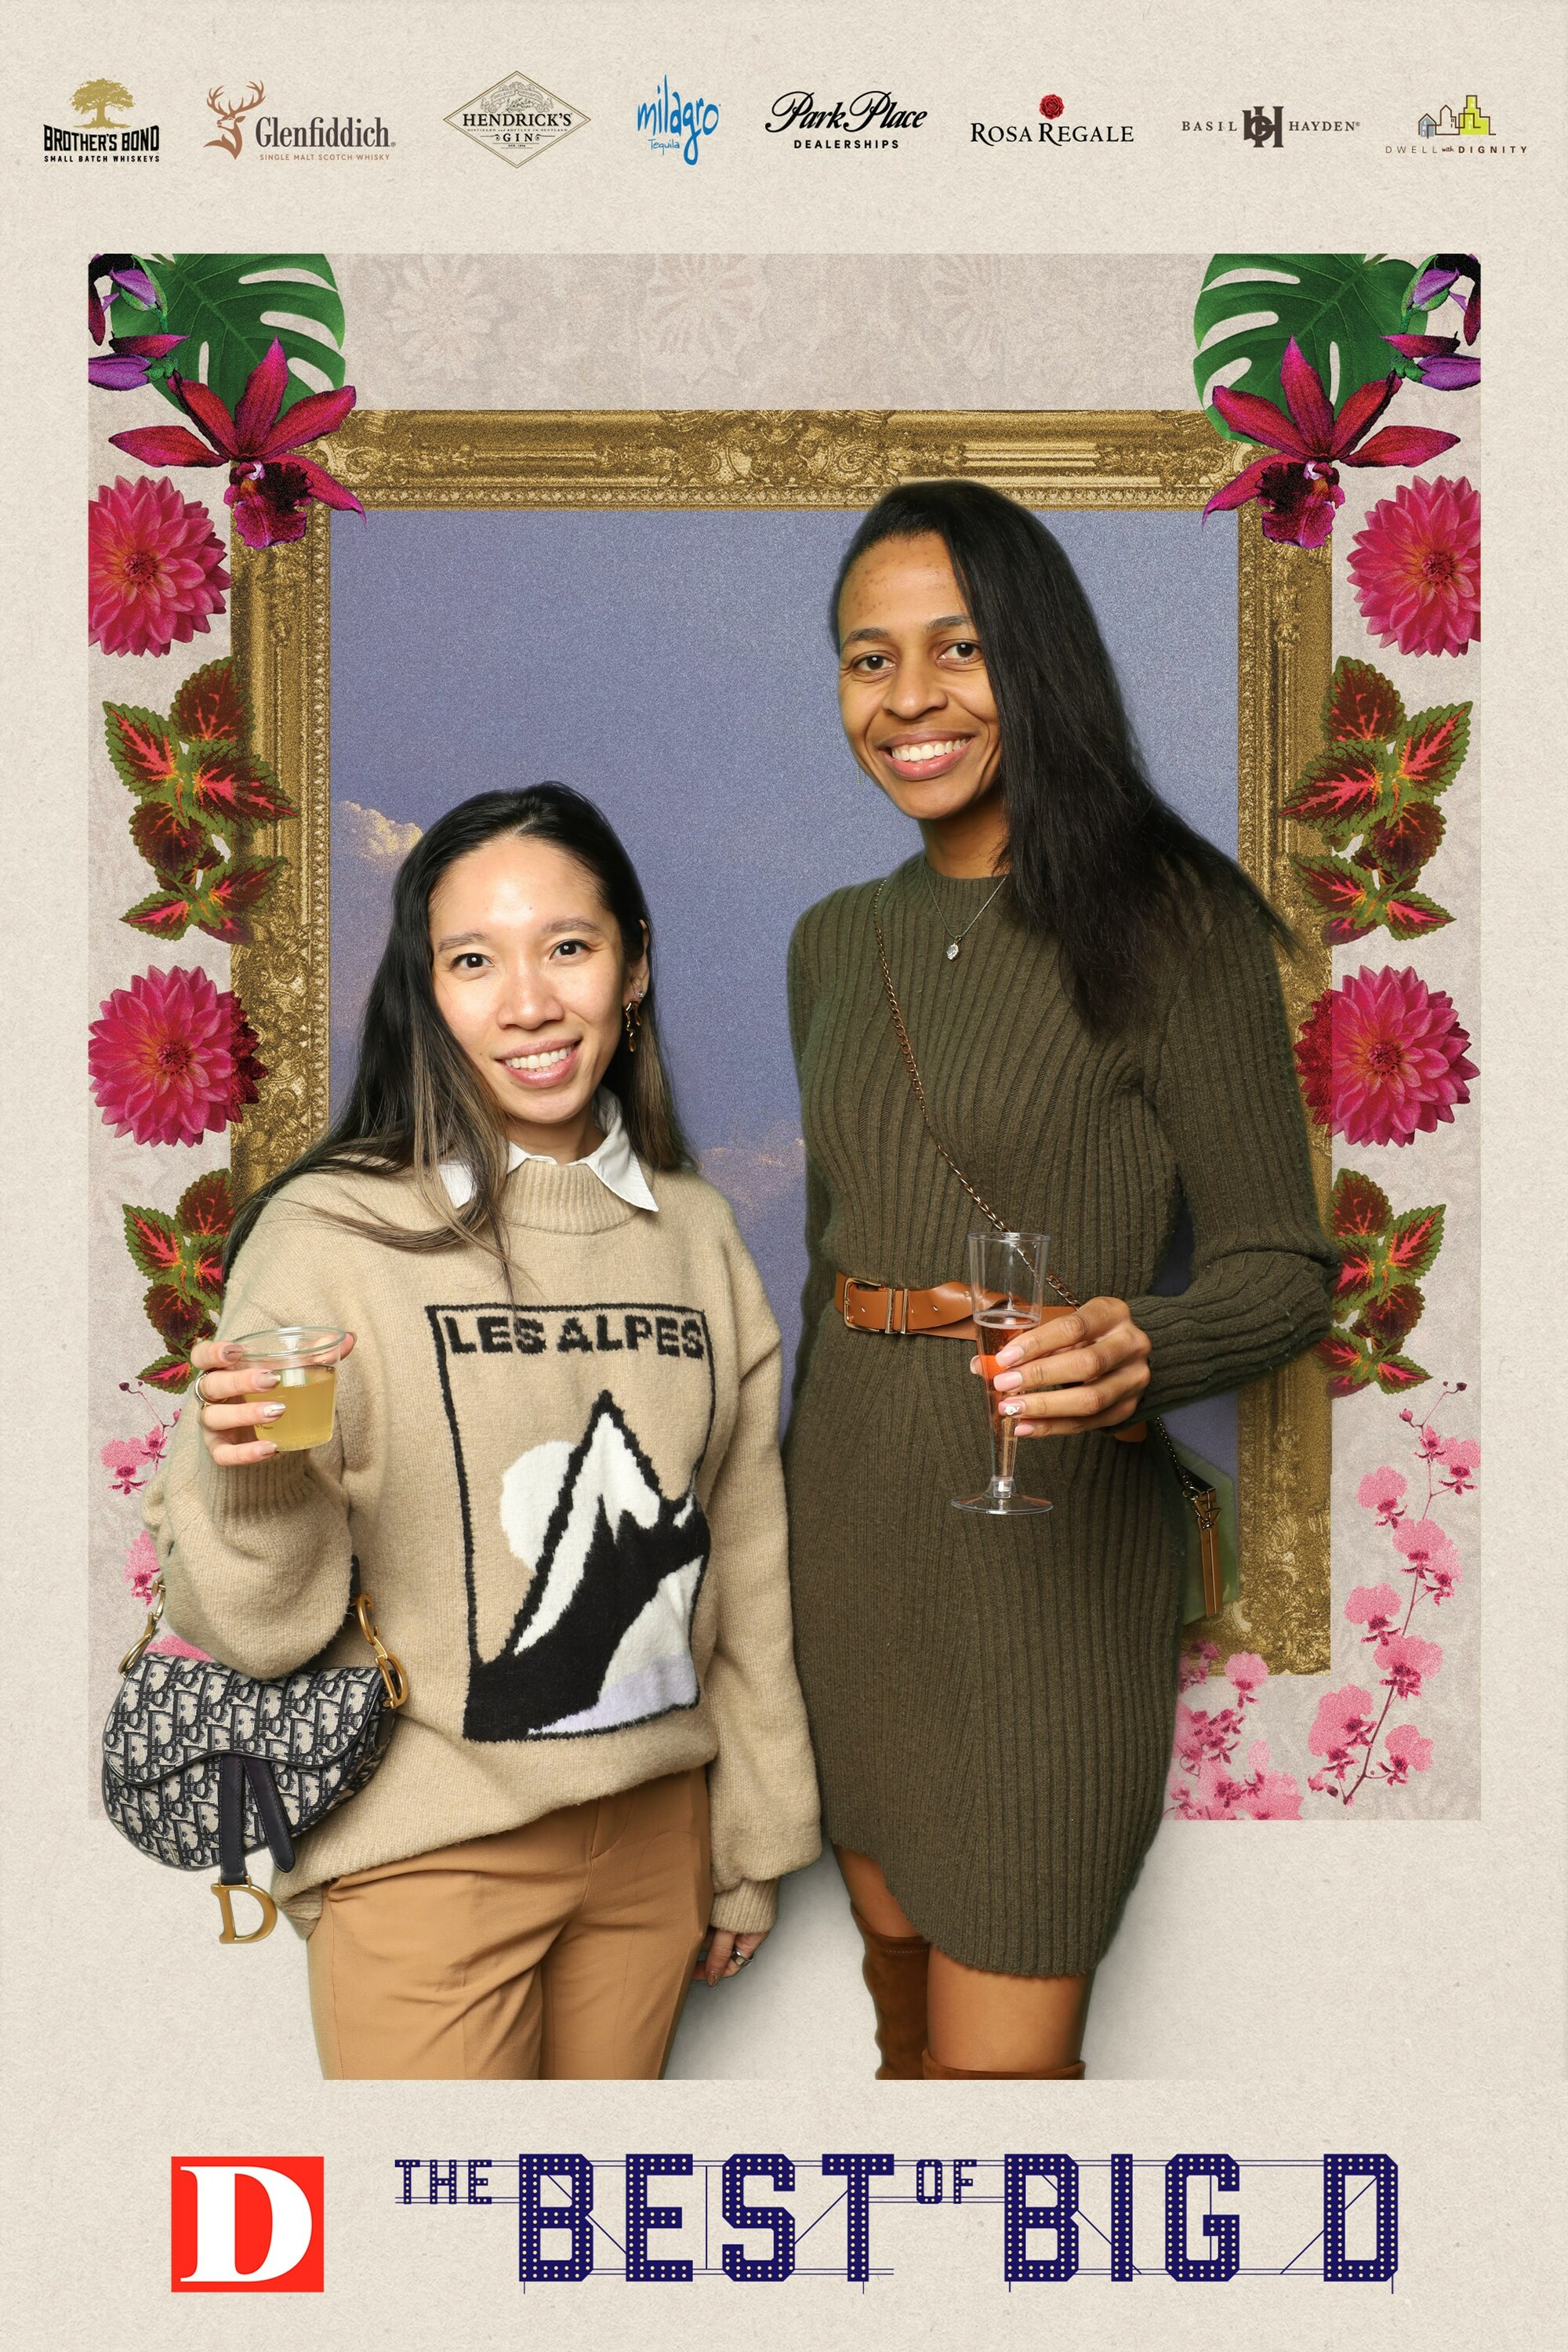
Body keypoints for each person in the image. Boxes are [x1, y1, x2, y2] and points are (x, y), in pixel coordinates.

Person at [785, 481, 1336, 2081]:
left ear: (1038, 660)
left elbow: (1282, 1268)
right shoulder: (833, 941)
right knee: (899, 2014)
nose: (908, 699)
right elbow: (830, 1255)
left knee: (1003, 2083)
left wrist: (1141, 1347)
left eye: (958, 649)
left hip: (1050, 1555)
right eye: (868, 658)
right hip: (850, 1536)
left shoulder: (1175, 923)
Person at [145, 785, 820, 2080]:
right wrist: (253, 1482)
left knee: (580, 2215)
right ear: (426, 991)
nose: (528, 1003)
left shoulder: (696, 1233)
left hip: (655, 1846)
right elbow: (261, 1633)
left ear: (633, 965)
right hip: (426, 1854)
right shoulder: (329, 1236)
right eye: (472, 961)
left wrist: (754, 1839)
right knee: (431, 2216)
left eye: (567, 947)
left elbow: (743, 1557)